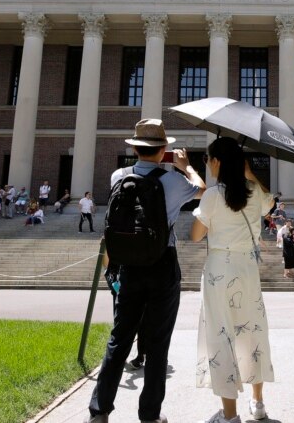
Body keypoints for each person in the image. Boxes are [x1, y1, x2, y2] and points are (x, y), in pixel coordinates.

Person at [88, 119, 205, 423]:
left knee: (119, 338)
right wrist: (186, 166)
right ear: (163, 149)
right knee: (157, 342)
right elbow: (202, 191)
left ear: (134, 147)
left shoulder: (118, 175)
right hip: (161, 263)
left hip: (128, 265)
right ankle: (150, 415)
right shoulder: (173, 181)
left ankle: (99, 411)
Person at [190, 137, 275, 423]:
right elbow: (269, 203)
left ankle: (229, 415)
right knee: (252, 330)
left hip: (219, 271)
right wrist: (250, 174)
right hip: (247, 269)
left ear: (216, 162)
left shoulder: (214, 195)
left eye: (208, 159)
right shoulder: (253, 191)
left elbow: (195, 235)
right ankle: (258, 402)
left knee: (221, 334)